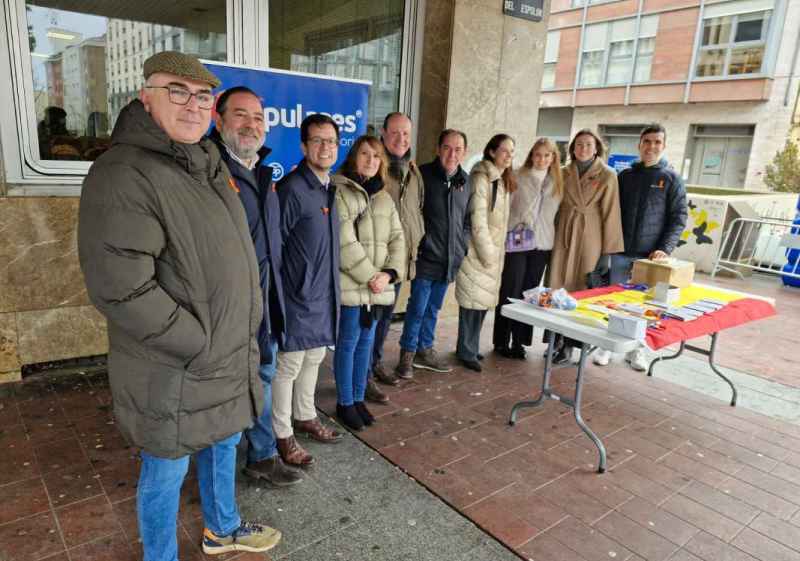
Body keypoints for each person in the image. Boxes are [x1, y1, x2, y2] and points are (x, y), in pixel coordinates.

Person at [78, 52, 281, 560]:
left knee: (222, 444)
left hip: (223, 352)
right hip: (175, 362)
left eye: (202, 95)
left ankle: (222, 529)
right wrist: (198, 342)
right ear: (145, 96)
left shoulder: (206, 163)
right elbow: (121, 288)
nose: (191, 104)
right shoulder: (124, 171)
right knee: (166, 469)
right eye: (177, 91)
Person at [209, 86, 301, 487]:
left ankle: (261, 457)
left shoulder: (263, 173)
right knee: (228, 394)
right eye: (241, 115)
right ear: (219, 120)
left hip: (265, 305)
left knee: (263, 379)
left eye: (258, 118)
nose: (251, 125)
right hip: (229, 313)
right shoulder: (209, 172)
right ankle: (218, 489)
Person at [273, 113, 344, 469]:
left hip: (323, 292)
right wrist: (286, 292)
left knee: (315, 358)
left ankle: (305, 415)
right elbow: (276, 248)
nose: (325, 147)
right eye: (317, 140)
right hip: (297, 295)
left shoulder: (329, 186)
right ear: (303, 146)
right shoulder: (292, 188)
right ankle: (282, 434)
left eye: (331, 141)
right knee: (289, 364)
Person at [332, 135, 406, 430]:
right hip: (353, 285)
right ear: (354, 157)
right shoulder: (341, 191)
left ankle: (359, 398)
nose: (371, 161)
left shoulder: (385, 198)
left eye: (376, 157)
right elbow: (344, 242)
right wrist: (370, 277)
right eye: (365, 154)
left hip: (378, 287)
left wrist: (388, 274)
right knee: (348, 344)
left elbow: (398, 239)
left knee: (366, 344)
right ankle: (345, 402)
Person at [604, 123, 688, 371]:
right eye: (647, 142)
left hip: (651, 257)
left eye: (657, 142)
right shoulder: (625, 176)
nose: (651, 147)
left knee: (645, 306)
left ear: (664, 146)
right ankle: (608, 347)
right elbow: (611, 212)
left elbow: (678, 217)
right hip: (621, 252)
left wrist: (665, 248)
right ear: (639, 145)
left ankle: (637, 351)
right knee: (614, 300)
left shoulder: (671, 179)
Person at [397, 129, 471, 375]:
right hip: (426, 256)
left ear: (464, 152)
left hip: (450, 258)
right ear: (438, 149)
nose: (452, 154)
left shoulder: (466, 181)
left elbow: (467, 220)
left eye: (458, 149)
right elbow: (412, 212)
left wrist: (462, 245)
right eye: (447, 148)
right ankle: (406, 355)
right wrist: (420, 243)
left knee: (433, 308)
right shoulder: (423, 175)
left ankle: (425, 349)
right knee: (417, 307)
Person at [548, 128, 624, 365]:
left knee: (581, 288)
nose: (583, 149)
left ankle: (571, 345)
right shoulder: (562, 172)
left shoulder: (608, 175)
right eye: (579, 144)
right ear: (572, 148)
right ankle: (554, 340)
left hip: (591, 235)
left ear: (597, 148)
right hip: (564, 232)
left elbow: (611, 213)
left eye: (588, 145)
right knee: (556, 286)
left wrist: (607, 253)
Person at [493, 137, 563, 359]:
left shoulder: (559, 182)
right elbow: (506, 208)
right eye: (538, 154)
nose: (542, 159)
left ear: (553, 158)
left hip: (542, 243)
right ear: (531, 155)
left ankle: (519, 342)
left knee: (530, 293)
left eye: (547, 155)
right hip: (518, 239)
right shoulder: (518, 176)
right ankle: (501, 340)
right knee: (510, 289)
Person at [373, 112, 426, 388]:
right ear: (383, 133)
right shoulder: (374, 167)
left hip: (400, 261)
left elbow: (415, 212)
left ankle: (374, 363)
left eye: (406, 133)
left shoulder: (413, 171)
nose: (401, 139)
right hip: (376, 263)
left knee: (384, 319)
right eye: (394, 132)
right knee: (369, 322)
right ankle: (365, 371)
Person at [455, 134, 515, 372]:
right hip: (479, 252)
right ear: (491, 151)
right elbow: (478, 220)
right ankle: (465, 350)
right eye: (504, 151)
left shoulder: (499, 178)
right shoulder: (482, 178)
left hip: (490, 252)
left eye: (512, 152)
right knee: (471, 304)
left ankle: (469, 347)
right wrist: (489, 254)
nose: (509, 156)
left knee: (479, 304)